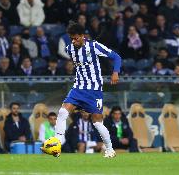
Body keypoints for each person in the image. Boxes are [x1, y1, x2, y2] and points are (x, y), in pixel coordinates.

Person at [41, 22, 121, 158]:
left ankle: (110, 149)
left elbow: (116, 57)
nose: (73, 41)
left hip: (94, 90)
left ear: (82, 36)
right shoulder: (69, 49)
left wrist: (115, 72)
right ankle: (57, 145)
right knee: (62, 112)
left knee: (97, 122)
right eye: (71, 38)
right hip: (78, 88)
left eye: (76, 38)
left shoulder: (94, 46)